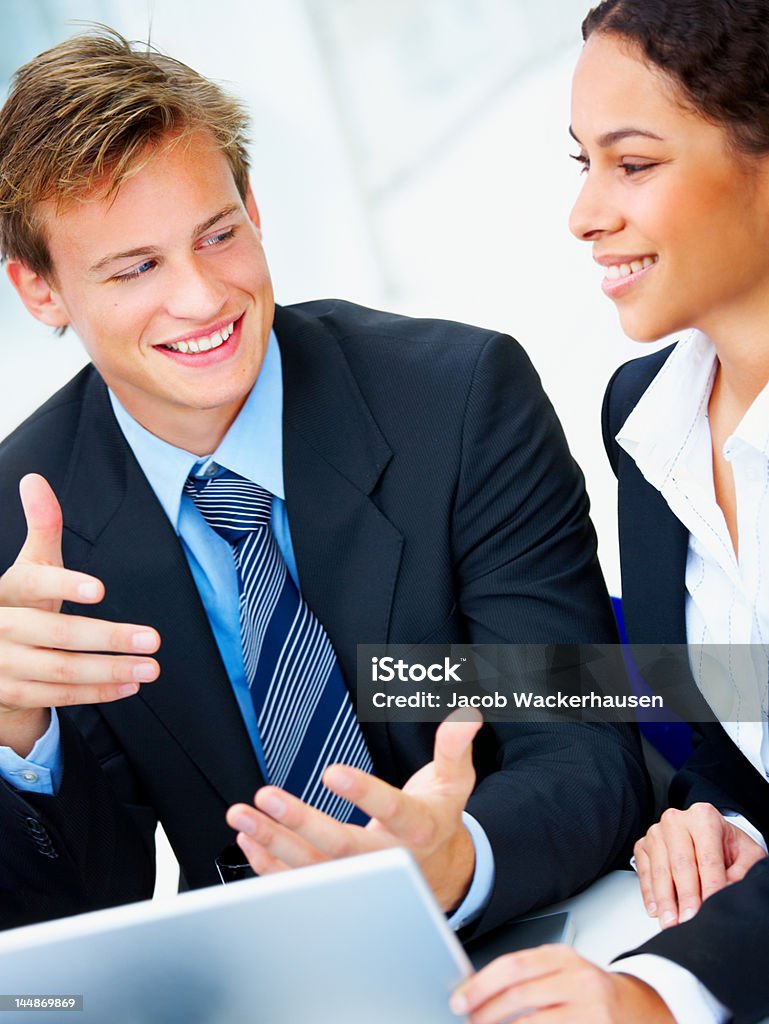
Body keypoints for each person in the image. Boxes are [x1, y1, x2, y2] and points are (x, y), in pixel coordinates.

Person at [0, 29, 649, 934]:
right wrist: (16, 732)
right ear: (39, 291)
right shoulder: (22, 528)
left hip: (522, 923)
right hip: (252, 972)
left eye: (218, 235)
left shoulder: (457, 400)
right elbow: (74, 911)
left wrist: (453, 860)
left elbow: (581, 744)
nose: (201, 298)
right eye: (136, 267)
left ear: (253, 206)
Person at [452, 0, 769, 1021]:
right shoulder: (648, 416)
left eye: (632, 164)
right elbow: (725, 733)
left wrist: (660, 991)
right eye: (582, 162)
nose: (585, 213)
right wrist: (712, 817)